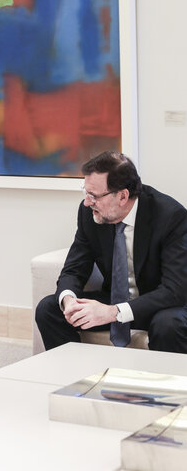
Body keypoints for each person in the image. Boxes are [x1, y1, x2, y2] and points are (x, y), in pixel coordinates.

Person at [36, 151, 187, 353]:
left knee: (168, 324)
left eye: (94, 196)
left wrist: (113, 312)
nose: (88, 202)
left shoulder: (170, 216)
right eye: (86, 193)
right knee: (49, 310)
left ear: (123, 196)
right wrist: (69, 300)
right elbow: (74, 268)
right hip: (116, 298)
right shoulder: (89, 214)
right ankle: (78, 379)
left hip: (160, 305)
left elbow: (174, 290)